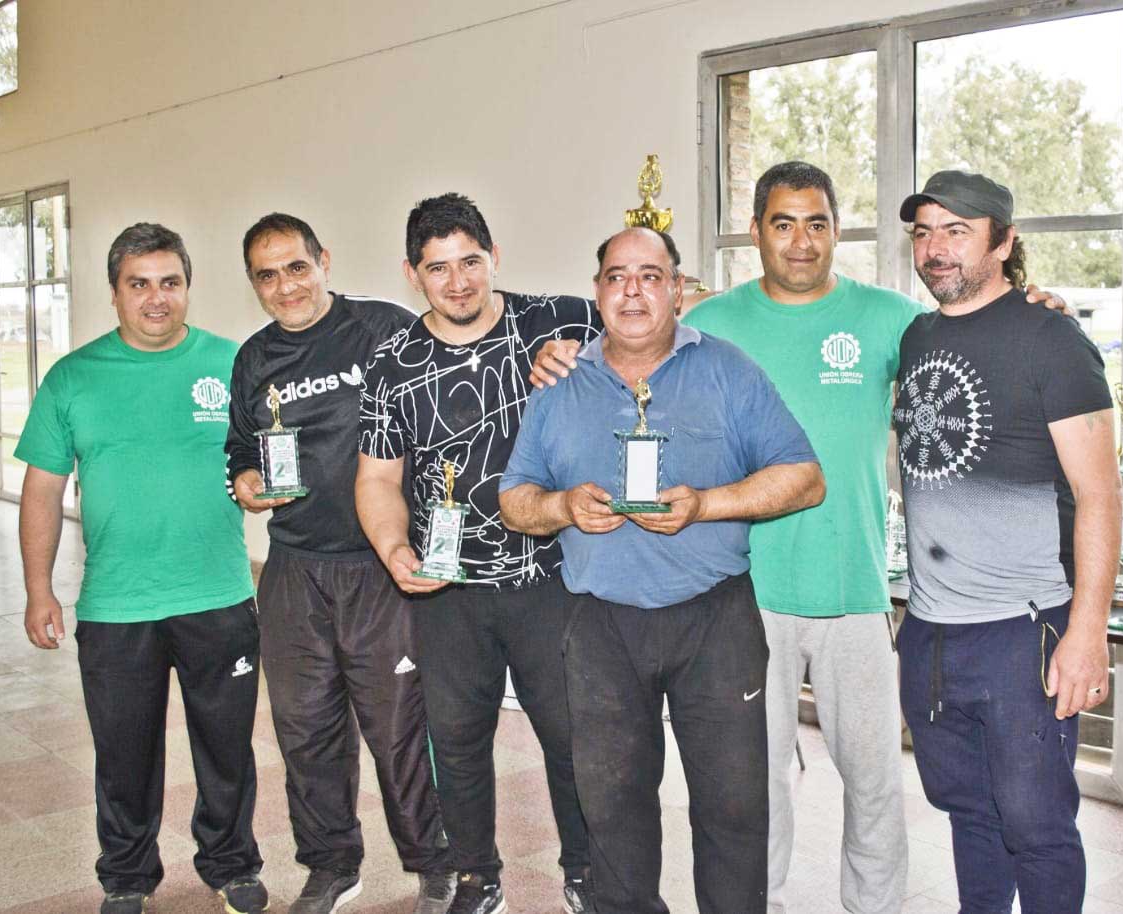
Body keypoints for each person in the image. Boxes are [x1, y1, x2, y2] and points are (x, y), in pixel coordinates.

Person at [530, 161, 1072, 914]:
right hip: (749, 599)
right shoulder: (714, 322)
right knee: (754, 790)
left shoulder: (892, 319)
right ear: (756, 232)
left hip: (856, 590)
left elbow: (977, 324)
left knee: (874, 783)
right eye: (782, 224)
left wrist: (1036, 304)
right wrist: (558, 354)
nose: (801, 241)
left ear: (836, 230)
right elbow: (631, 336)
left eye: (817, 223)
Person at [499, 227, 826, 914]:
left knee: (734, 807)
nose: (633, 292)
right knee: (611, 807)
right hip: (600, 626)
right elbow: (514, 500)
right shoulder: (559, 384)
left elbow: (804, 478)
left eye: (650, 276)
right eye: (617, 277)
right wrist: (560, 506)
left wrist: (707, 504)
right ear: (597, 292)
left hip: (714, 620)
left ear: (677, 289)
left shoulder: (727, 370)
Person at [354, 192, 598, 914]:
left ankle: (587, 872)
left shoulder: (557, 321)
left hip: (551, 576)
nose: (457, 282)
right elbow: (378, 478)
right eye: (438, 268)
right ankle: (476, 877)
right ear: (412, 274)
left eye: (470, 262)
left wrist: (586, 356)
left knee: (571, 736)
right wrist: (394, 548)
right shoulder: (392, 365)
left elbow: (660, 324)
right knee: (456, 743)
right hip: (447, 587)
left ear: (495, 257)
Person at [16, 223, 267, 914]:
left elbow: (270, 453)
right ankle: (126, 876)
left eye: (170, 282)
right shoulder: (73, 377)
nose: (157, 298)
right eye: (139, 284)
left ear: (188, 287)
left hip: (218, 597)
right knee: (124, 756)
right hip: (116, 606)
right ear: (115, 292)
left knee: (227, 749)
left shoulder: (233, 364)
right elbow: (42, 490)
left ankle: (231, 864)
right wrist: (39, 589)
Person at [893, 170, 1120, 913]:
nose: (936, 248)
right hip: (931, 633)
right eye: (924, 231)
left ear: (1004, 241)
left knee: (1037, 826)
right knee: (970, 815)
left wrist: (1088, 631)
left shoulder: (1051, 338)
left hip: (1022, 632)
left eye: (957, 231)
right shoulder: (917, 335)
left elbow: (1100, 495)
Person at [225, 213, 455, 914]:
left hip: (379, 568)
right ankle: (330, 865)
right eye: (267, 275)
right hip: (294, 569)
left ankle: (434, 861)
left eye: (297, 267)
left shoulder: (383, 328)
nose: (286, 286)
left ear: (324, 260)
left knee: (399, 727)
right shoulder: (254, 358)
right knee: (305, 729)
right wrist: (245, 481)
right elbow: (240, 449)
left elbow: (445, 410)